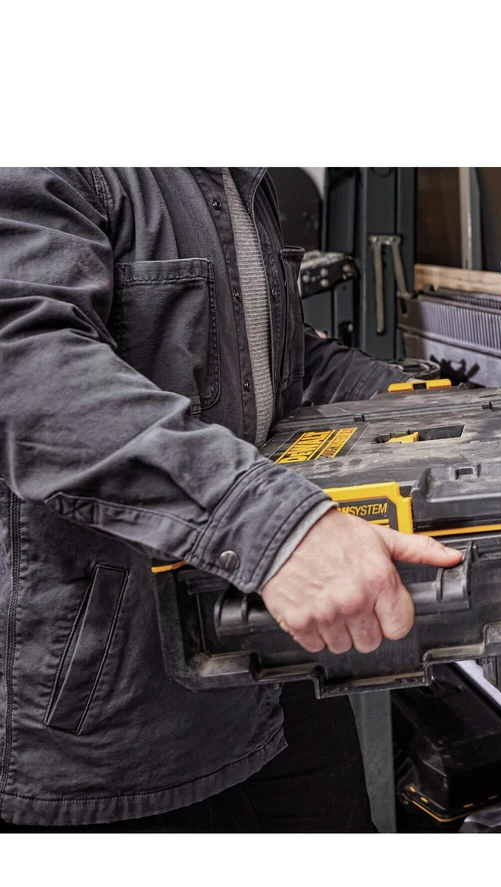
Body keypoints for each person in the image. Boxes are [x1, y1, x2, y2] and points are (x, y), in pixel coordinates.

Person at [0, 168, 460, 831]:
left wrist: (404, 399)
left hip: (266, 647)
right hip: (112, 697)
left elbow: (262, 359)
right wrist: (278, 531)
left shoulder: (238, 178)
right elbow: (29, 372)